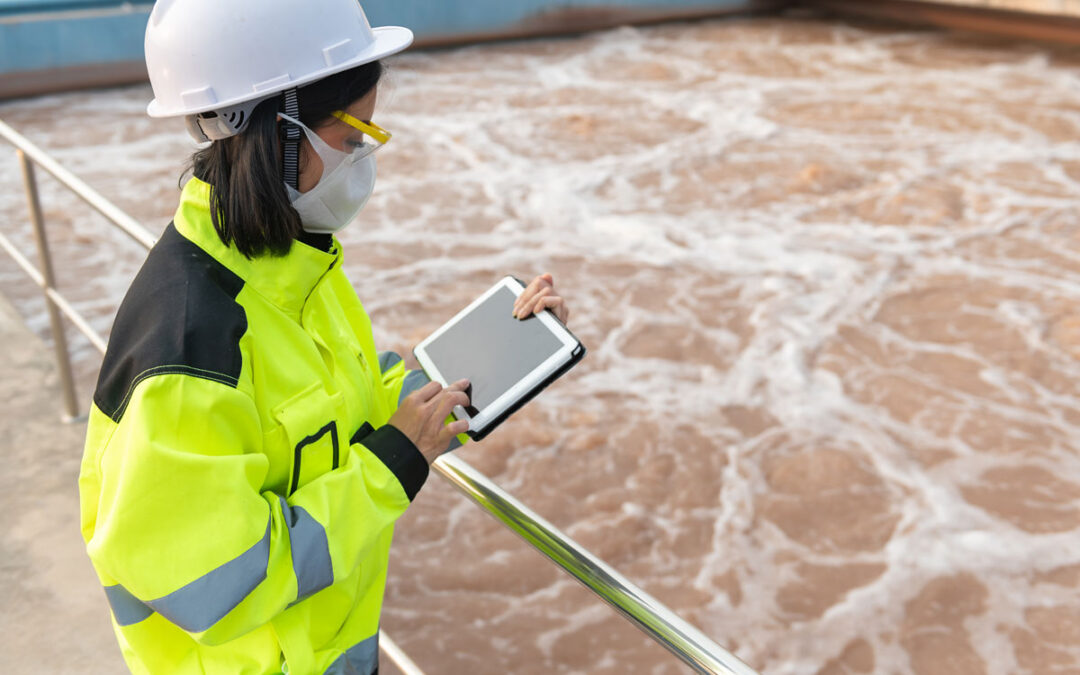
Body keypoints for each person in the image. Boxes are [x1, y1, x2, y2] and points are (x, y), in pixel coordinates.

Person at [77, 1, 570, 673]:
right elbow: (216, 583)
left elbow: (354, 398)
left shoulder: (294, 265)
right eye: (352, 136)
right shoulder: (189, 348)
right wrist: (392, 464)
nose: (365, 158)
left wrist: (494, 344)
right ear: (278, 132)